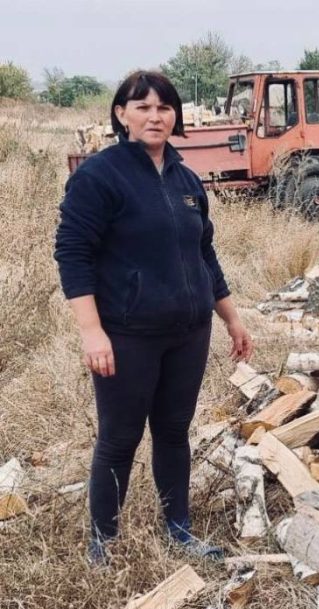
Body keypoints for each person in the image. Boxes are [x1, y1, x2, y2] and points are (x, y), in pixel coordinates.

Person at [54, 71, 253, 565]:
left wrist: (231, 317)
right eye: (142, 106)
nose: (155, 115)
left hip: (188, 332)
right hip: (127, 334)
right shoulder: (100, 176)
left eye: (164, 107)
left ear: (175, 116)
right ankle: (103, 542)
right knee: (119, 437)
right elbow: (72, 253)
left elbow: (203, 252)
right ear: (121, 114)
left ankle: (178, 529)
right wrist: (92, 330)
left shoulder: (186, 179)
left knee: (173, 432)